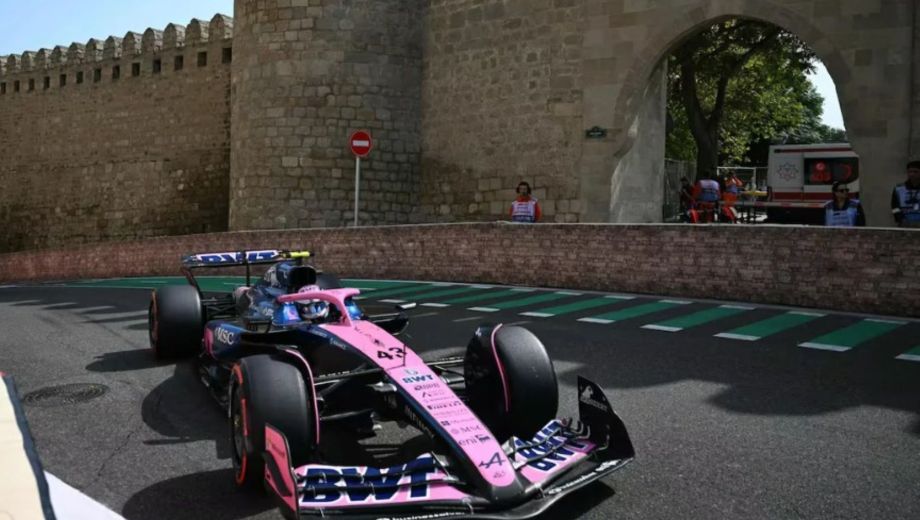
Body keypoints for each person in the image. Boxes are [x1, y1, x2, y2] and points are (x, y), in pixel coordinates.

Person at [891, 160, 920, 227]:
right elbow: (895, 207)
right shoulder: (898, 189)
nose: (912, 174)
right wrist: (901, 219)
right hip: (905, 224)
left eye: (915, 172)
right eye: (910, 172)